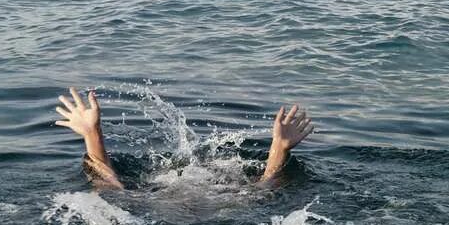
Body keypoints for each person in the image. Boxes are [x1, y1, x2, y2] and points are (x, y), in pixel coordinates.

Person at [52, 88, 314, 189]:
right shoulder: (233, 197)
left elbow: (109, 184)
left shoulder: (148, 198)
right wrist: (279, 147)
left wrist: (92, 134)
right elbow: (266, 185)